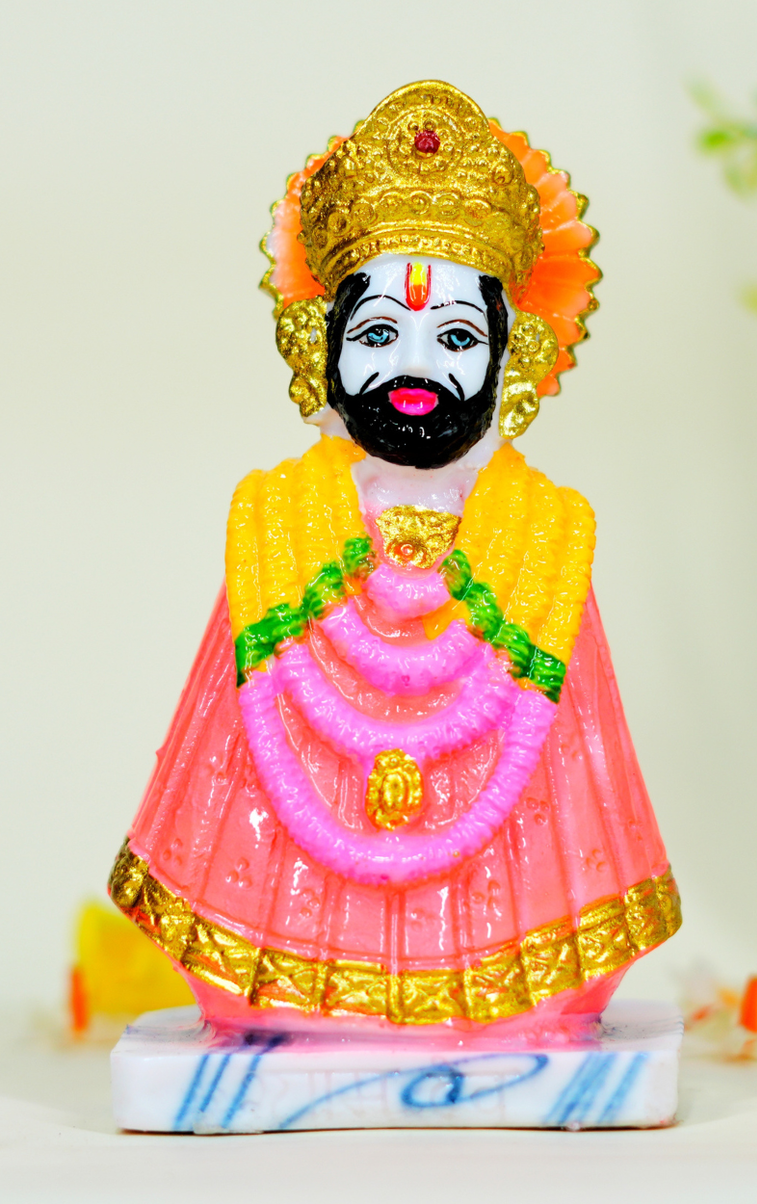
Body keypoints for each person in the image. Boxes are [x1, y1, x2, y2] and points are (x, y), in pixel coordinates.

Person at [108, 80, 678, 1039]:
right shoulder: (279, 527)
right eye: (379, 332)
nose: (414, 367)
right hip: (270, 912)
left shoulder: (542, 539)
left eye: (454, 336)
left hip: (519, 911)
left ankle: (505, 1002)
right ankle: (294, 992)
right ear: (317, 347)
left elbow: (575, 764)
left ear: (510, 355)